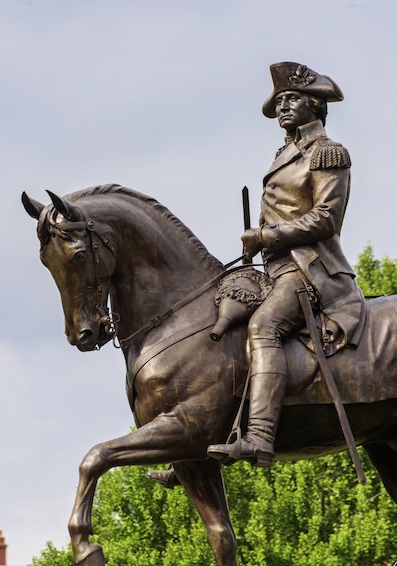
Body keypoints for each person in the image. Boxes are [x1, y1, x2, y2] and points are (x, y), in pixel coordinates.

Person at [147, 61, 366, 487]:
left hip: (312, 271)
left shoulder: (327, 152)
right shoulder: (285, 155)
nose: (283, 106)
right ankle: (193, 442)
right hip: (278, 269)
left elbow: (326, 219)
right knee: (220, 329)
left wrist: (267, 235)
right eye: (279, 101)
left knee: (263, 328)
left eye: (292, 99)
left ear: (315, 105)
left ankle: (260, 438)